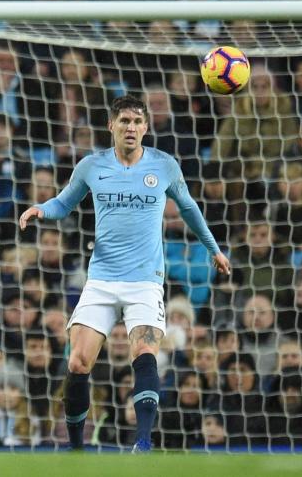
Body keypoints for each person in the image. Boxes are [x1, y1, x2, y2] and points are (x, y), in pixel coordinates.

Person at [18, 94, 231, 453]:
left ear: (146, 127)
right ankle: (75, 451)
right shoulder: (91, 165)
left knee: (145, 352)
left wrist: (214, 249)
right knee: (78, 360)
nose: (130, 127)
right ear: (111, 126)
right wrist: (41, 209)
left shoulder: (164, 166)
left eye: (136, 121)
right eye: (124, 121)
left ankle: (143, 442)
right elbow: (64, 203)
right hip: (100, 280)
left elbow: (189, 208)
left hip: (145, 281)